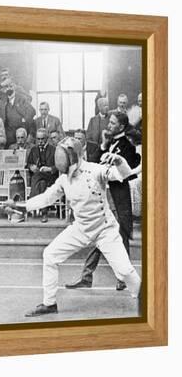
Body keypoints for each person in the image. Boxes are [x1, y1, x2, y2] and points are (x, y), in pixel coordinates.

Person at [6, 137, 141, 317]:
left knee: (124, 271)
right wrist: (19, 206)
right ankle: (49, 303)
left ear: (74, 155)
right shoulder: (63, 180)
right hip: (81, 228)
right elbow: (45, 199)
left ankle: (142, 295)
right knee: (50, 255)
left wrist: (119, 161)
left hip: (105, 229)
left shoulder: (96, 170)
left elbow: (124, 175)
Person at [65, 111, 141, 291]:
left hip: (117, 198)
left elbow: (126, 173)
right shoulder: (111, 143)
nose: (109, 126)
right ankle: (88, 276)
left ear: (121, 127)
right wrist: (104, 145)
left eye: (113, 123)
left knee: (120, 236)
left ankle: (120, 278)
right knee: (101, 235)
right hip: (103, 196)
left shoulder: (128, 146)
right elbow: (94, 164)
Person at [26, 128, 58, 222]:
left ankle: (31, 202)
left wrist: (50, 169)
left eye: (42, 139)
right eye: (38, 139)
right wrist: (31, 167)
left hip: (50, 177)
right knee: (41, 184)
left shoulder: (54, 150)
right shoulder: (34, 149)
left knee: (37, 176)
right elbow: (29, 163)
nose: (40, 141)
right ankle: (44, 214)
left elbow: (59, 166)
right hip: (40, 180)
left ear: (47, 138)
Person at [0, 81, 36, 147]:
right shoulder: (4, 100)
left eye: (11, 86)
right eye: (6, 87)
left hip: (21, 131)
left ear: (14, 87)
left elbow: (32, 111)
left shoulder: (22, 99)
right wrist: (2, 84)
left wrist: (24, 120)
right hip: (9, 133)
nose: (8, 89)